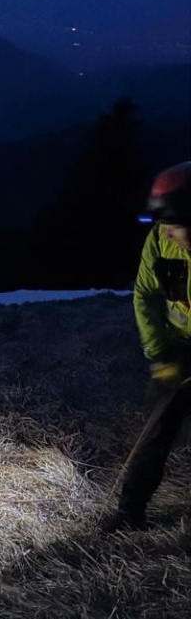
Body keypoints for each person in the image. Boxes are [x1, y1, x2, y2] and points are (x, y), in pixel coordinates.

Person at [106, 161, 191, 531]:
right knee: (155, 429)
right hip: (178, 348)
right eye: (165, 225)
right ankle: (130, 511)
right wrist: (160, 355)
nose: (169, 234)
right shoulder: (160, 240)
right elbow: (146, 294)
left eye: (176, 225)